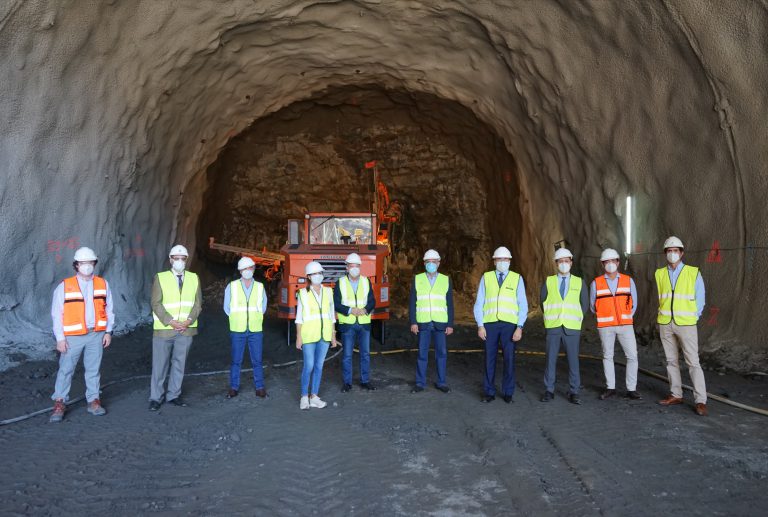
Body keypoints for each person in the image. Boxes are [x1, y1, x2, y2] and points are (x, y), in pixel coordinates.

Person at [49, 247, 114, 422]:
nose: (87, 266)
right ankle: (60, 402)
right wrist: (60, 338)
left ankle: (93, 401)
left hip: (96, 335)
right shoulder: (65, 286)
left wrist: (108, 332)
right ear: (76, 265)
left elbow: (109, 310)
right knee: (65, 370)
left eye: (90, 263)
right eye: (83, 263)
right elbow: (57, 314)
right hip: (72, 337)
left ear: (94, 264)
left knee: (93, 370)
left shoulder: (103, 284)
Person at [655, 236, 708, 416]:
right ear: (665, 253)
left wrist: (693, 317)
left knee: (693, 362)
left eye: (675, 250)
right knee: (671, 361)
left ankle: (700, 400)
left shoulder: (693, 272)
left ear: (682, 252)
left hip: (686, 323)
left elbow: (700, 299)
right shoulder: (659, 273)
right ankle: (676, 394)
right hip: (665, 323)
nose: (672, 253)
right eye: (669, 251)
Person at [148, 245, 202, 411]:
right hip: (165, 330)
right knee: (160, 364)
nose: (179, 261)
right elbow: (155, 303)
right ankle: (156, 398)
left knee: (180, 364)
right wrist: (170, 321)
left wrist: (189, 320)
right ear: (170, 259)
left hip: (186, 329)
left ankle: (174, 395)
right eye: (176, 258)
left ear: (186, 259)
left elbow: (197, 303)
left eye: (183, 258)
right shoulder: (161, 278)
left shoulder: (194, 278)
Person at [474, 246, 528, 403]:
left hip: (509, 326)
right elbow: (479, 303)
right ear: (494, 261)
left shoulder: (517, 278)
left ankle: (508, 392)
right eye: (499, 259)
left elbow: (522, 305)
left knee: (509, 359)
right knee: (489, 359)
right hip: (489, 324)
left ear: (510, 261)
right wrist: (480, 325)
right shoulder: (487, 277)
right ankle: (489, 392)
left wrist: (519, 327)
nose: (502, 262)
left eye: (505, 259)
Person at [590, 248, 641, 400]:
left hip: (625, 325)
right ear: (602, 264)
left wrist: (625, 317)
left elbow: (634, 303)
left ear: (618, 262)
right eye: (607, 262)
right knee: (608, 356)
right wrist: (606, 315)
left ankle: (631, 389)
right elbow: (593, 306)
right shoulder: (596, 283)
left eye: (613, 261)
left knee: (632, 356)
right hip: (606, 326)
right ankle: (610, 387)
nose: (610, 264)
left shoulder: (628, 280)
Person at [540, 248, 589, 404]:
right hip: (553, 326)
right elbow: (543, 303)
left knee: (573, 361)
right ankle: (549, 390)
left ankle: (574, 391)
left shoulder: (579, 282)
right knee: (550, 360)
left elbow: (584, 304)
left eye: (566, 261)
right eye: (560, 261)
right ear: (556, 263)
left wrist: (574, 318)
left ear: (571, 263)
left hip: (572, 328)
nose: (564, 264)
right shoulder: (549, 281)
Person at [409, 249, 454, 394]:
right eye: (428, 262)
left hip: (440, 323)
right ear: (424, 263)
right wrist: (413, 322)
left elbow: (449, 303)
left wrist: (450, 324)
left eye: (434, 262)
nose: (431, 264)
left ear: (439, 263)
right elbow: (412, 303)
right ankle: (420, 383)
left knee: (441, 354)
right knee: (422, 354)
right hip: (423, 322)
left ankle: (441, 382)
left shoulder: (445, 279)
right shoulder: (417, 279)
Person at [296, 261, 339, 409]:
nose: (318, 276)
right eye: (315, 274)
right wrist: (298, 337)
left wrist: (333, 335)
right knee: (309, 366)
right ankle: (303, 396)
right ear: (308, 276)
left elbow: (331, 315)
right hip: (308, 335)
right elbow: (299, 317)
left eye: (320, 273)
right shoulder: (302, 293)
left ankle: (314, 396)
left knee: (319, 366)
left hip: (325, 335)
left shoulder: (328, 292)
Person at [223, 256, 268, 399]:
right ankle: (233, 387)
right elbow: (227, 307)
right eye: (245, 268)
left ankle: (260, 387)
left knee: (257, 360)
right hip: (238, 329)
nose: (248, 270)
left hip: (255, 329)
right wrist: (239, 318)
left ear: (254, 269)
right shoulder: (232, 286)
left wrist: (254, 317)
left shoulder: (260, 287)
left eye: (250, 268)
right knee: (236, 360)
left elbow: (263, 307)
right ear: (240, 270)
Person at [334, 252, 377, 392]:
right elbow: (336, 303)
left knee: (365, 354)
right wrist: (350, 310)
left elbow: (372, 301)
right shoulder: (340, 283)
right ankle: (347, 383)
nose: (354, 268)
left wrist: (365, 309)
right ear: (346, 267)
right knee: (347, 355)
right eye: (351, 266)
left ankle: (365, 381)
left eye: (357, 266)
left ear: (360, 267)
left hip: (364, 323)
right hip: (348, 324)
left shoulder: (366, 281)